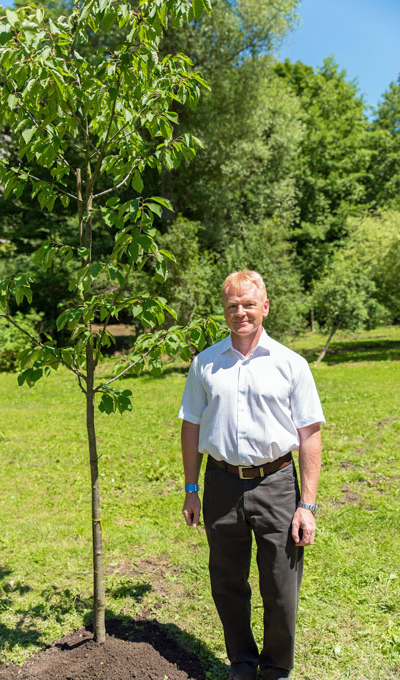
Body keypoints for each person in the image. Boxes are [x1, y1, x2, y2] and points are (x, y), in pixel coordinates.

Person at [178, 270, 324, 680]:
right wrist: (191, 488)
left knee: (280, 584)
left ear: (265, 307)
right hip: (221, 483)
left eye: (248, 304)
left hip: (276, 483)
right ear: (224, 311)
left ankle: (276, 668)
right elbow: (190, 427)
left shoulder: (290, 364)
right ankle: (242, 662)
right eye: (232, 306)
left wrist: (307, 505)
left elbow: (310, 435)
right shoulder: (205, 364)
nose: (240, 313)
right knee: (227, 581)